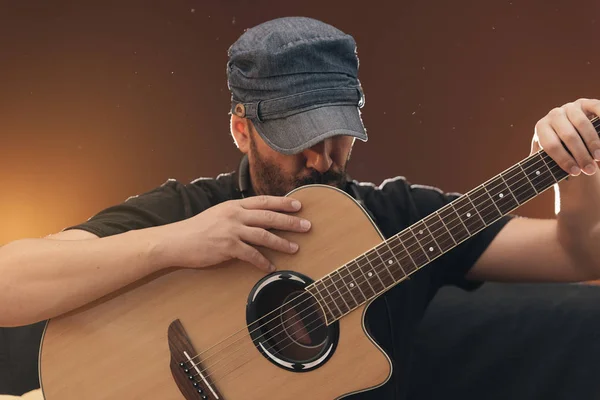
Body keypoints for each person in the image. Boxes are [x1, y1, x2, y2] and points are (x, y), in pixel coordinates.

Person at [0, 16, 599, 399]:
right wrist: (175, 242)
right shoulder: (190, 208)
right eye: (296, 137)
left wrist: (572, 163)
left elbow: (577, 254)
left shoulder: (397, 220)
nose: (321, 158)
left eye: (335, 133)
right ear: (242, 130)